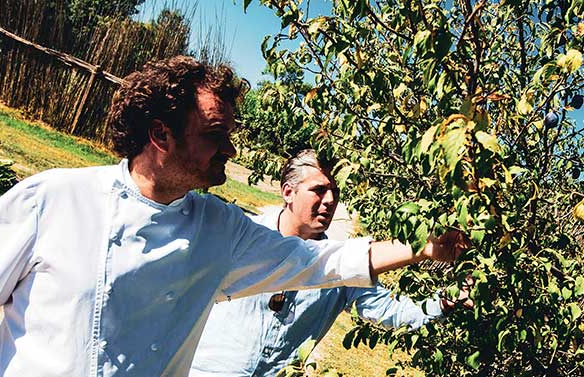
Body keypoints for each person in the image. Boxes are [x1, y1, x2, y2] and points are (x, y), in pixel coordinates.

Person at [0, 56, 468, 377]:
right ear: (161, 133)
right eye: (215, 134)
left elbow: (320, 263)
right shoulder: (53, 198)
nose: (231, 149)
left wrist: (422, 248)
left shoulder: (222, 228)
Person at [190, 150, 462, 377]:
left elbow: (392, 311)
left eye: (335, 191)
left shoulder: (342, 265)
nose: (330, 200)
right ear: (288, 192)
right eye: (319, 190)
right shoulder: (245, 234)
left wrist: (448, 299)